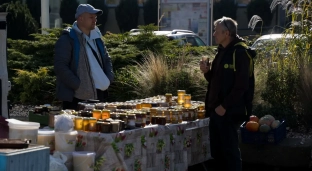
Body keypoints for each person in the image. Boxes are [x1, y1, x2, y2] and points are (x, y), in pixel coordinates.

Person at [200, 16, 256, 171]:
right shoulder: (222, 52)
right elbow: (216, 81)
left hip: (229, 111)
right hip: (216, 111)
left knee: (230, 153)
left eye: (216, 31)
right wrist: (207, 72)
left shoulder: (240, 53)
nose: (213, 34)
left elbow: (242, 86)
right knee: (217, 153)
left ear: (227, 33)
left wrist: (224, 106)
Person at [54, 4, 114, 110]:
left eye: (95, 17)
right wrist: (78, 85)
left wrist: (108, 79)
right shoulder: (67, 39)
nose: (95, 20)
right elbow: (60, 66)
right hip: (76, 98)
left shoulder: (97, 38)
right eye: (91, 17)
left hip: (99, 95)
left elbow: (107, 59)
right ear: (80, 19)